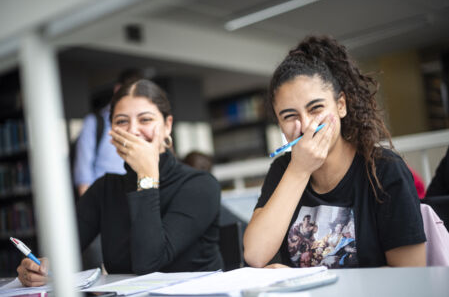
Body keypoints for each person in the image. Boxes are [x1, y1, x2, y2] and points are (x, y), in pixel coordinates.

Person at [17, 79, 223, 286]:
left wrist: (146, 176)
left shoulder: (200, 185)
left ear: (167, 126)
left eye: (145, 120)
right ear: (112, 131)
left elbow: (148, 264)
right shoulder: (105, 188)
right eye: (122, 121)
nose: (132, 130)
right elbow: (61, 252)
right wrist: (39, 266)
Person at [243, 35, 426, 269]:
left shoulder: (385, 169)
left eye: (316, 108)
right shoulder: (283, 169)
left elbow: (411, 275)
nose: (306, 125)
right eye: (289, 116)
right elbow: (255, 254)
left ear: (341, 105)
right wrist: (299, 169)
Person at [73, 69, 143, 197]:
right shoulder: (94, 123)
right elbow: (84, 177)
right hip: (104, 203)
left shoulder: (143, 127)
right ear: (118, 90)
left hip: (136, 202)